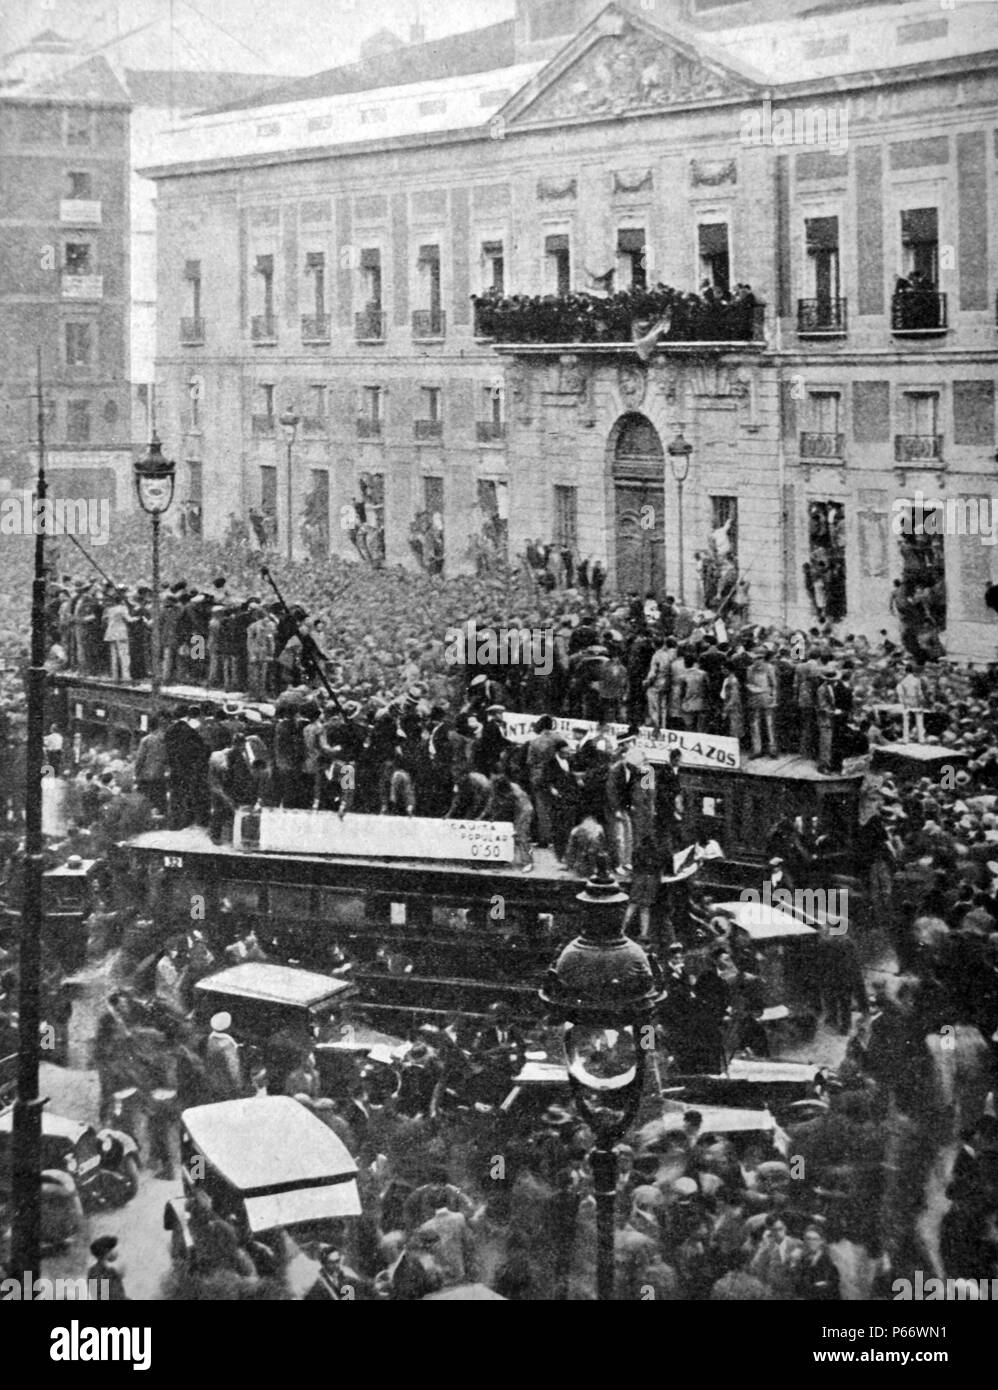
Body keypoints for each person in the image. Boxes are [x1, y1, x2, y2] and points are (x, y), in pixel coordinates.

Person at [794, 1224, 841, 1300]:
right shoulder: (803, 1260)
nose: (811, 1242)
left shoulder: (827, 1262)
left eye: (814, 1239)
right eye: (808, 1239)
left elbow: (829, 1288)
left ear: (821, 1241)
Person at [204, 1011, 242, 1101]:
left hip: (215, 1080)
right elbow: (233, 1066)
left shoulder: (211, 1040)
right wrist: (238, 1084)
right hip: (228, 1084)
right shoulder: (226, 1044)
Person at [87, 1235, 130, 1301]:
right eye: (113, 1249)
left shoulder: (111, 1272)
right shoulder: (95, 1273)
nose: (116, 1252)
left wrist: (119, 1277)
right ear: (106, 1252)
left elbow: (121, 1296)